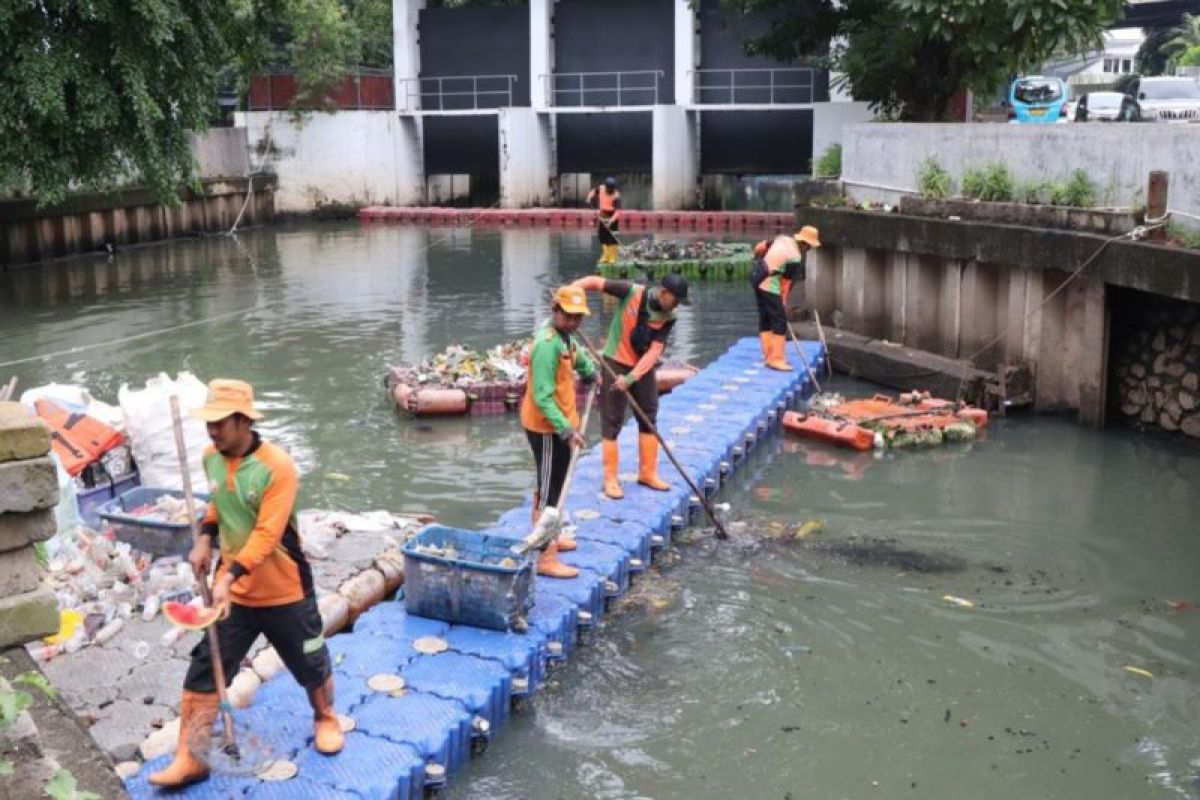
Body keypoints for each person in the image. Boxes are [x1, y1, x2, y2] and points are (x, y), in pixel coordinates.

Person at [149, 380, 342, 788]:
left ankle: (326, 717)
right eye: (209, 423)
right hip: (232, 592)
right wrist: (204, 539)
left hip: (284, 589)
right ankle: (192, 755)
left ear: (243, 420)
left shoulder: (278, 467)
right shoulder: (210, 457)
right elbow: (219, 504)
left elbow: (268, 534)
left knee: (310, 661)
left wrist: (231, 574)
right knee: (206, 666)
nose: (213, 431)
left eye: (220, 423)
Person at [570, 273, 688, 500]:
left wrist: (632, 378)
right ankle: (611, 479)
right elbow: (595, 283)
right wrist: (573, 290)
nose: (677, 305)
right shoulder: (631, 291)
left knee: (649, 416)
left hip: (641, 369)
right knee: (612, 420)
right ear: (664, 293)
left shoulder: (670, 317)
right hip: (615, 361)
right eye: (676, 300)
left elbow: (655, 351)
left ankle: (647, 473)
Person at [520, 286, 598, 579]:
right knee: (552, 491)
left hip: (561, 424)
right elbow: (542, 396)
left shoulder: (566, 338)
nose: (574, 322)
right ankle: (546, 558)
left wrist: (591, 371)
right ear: (555, 311)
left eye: (578, 318)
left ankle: (551, 537)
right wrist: (565, 429)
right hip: (547, 427)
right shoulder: (547, 344)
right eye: (569, 316)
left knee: (554, 481)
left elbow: (576, 358)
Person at [754, 226, 821, 371]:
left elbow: (762, 246)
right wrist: (782, 303)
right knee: (779, 321)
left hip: (757, 274)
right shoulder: (795, 258)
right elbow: (785, 283)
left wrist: (758, 255)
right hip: (768, 283)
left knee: (765, 318)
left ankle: (768, 354)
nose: (808, 250)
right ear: (803, 243)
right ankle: (776, 359)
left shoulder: (783, 239)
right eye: (808, 247)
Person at [587, 176, 621, 265]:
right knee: (603, 237)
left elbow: (618, 212)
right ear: (606, 187)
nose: (610, 190)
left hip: (612, 216)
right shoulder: (601, 188)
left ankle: (613, 257)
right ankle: (606, 256)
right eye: (608, 188)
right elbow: (593, 192)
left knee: (613, 237)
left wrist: (611, 221)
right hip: (602, 215)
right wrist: (589, 197)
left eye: (611, 189)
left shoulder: (616, 196)